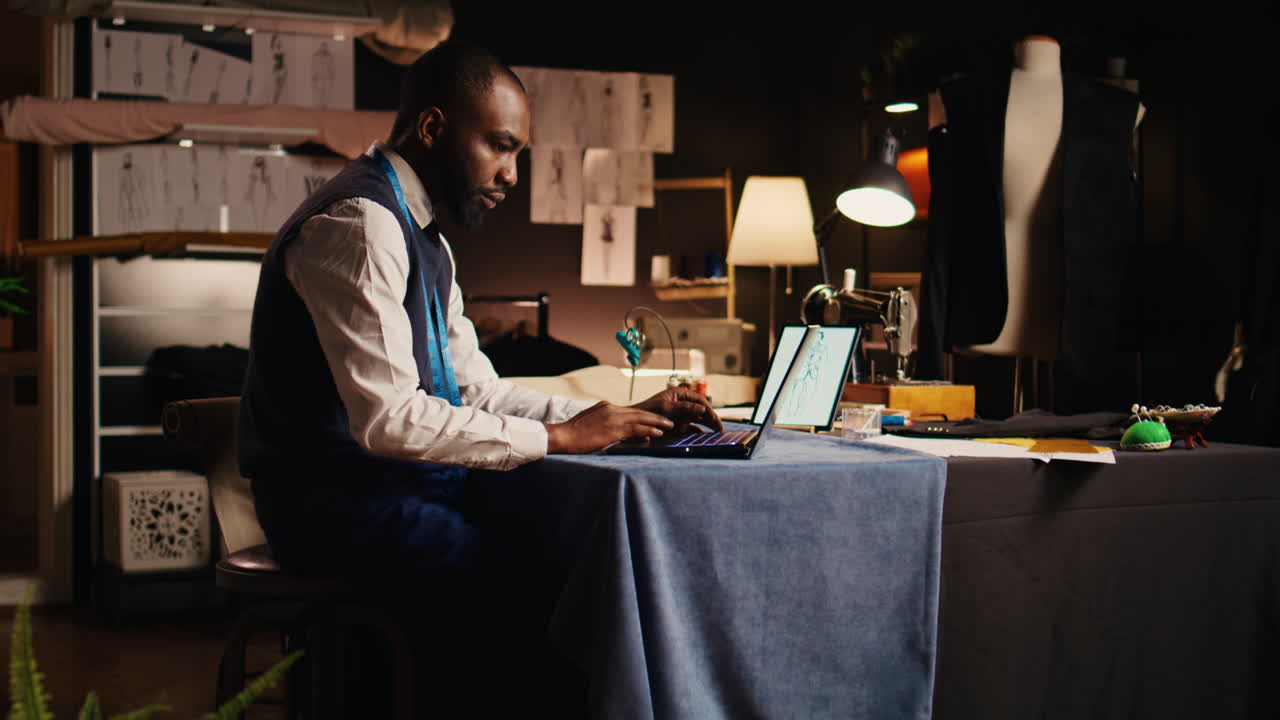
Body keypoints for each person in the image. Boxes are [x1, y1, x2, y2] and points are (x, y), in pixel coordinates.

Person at [237, 39, 720, 715]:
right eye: (500, 145)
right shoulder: (360, 224)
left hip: (381, 492)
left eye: (517, 152)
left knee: (560, 564)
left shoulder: (423, 236)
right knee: (520, 602)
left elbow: (474, 390)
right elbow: (389, 420)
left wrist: (609, 417)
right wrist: (561, 439)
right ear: (432, 128)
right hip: (328, 506)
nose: (513, 173)